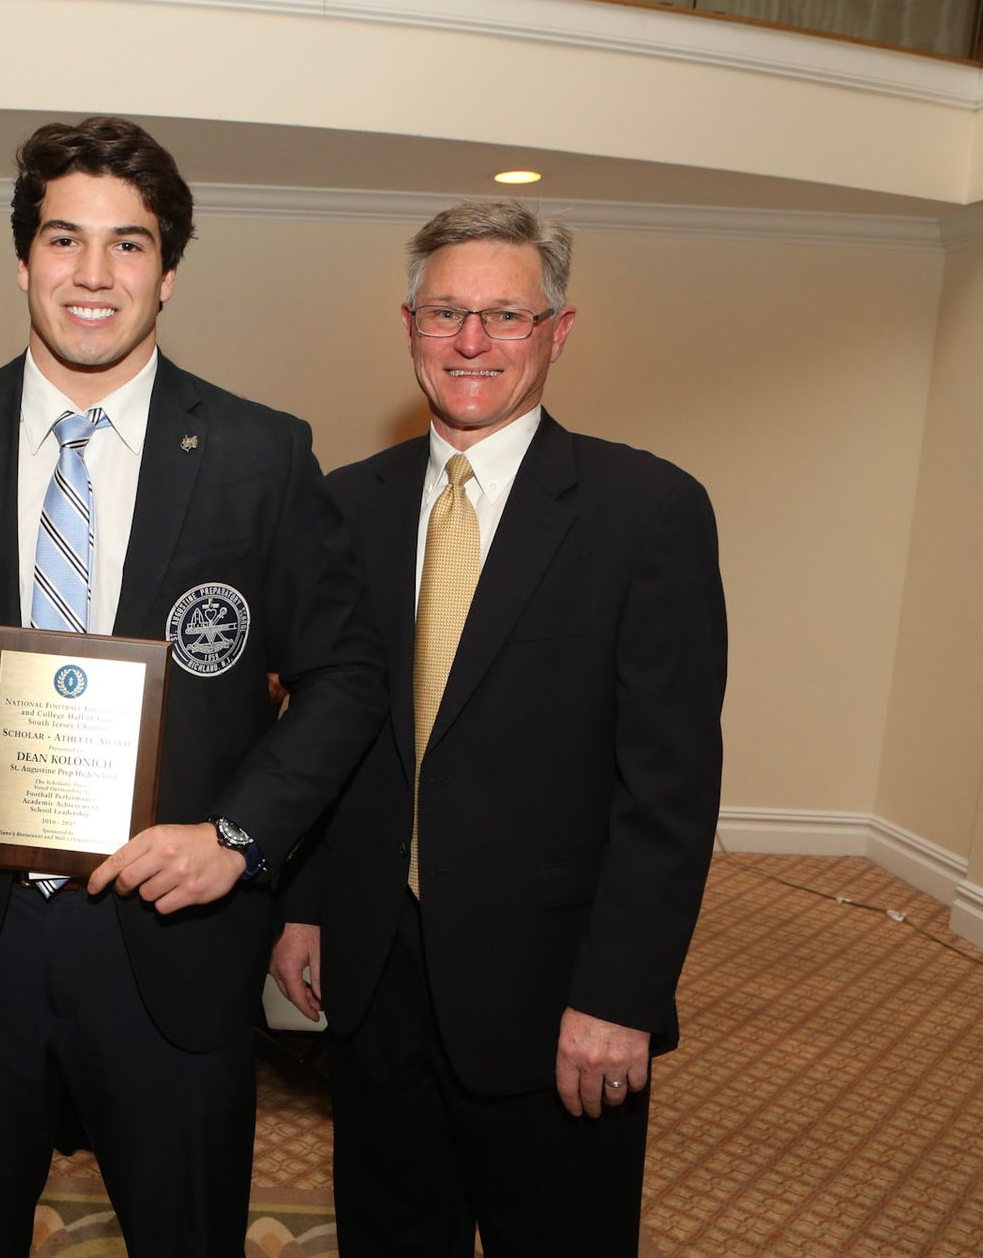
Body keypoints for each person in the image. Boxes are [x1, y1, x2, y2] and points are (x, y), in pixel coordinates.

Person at [0, 116, 382, 1257]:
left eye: (128, 245)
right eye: (64, 239)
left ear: (170, 271)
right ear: (24, 257)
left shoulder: (261, 454)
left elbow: (345, 678)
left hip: (172, 936)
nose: (94, 275)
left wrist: (238, 837)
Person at [271, 199, 728, 1255]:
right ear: (410, 326)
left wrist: (620, 992)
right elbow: (323, 731)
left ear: (557, 331)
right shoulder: (346, 503)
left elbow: (669, 787)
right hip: (376, 979)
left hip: (557, 1002)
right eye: (447, 313)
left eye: (505, 316)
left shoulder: (647, 512)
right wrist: (304, 904)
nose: (471, 342)